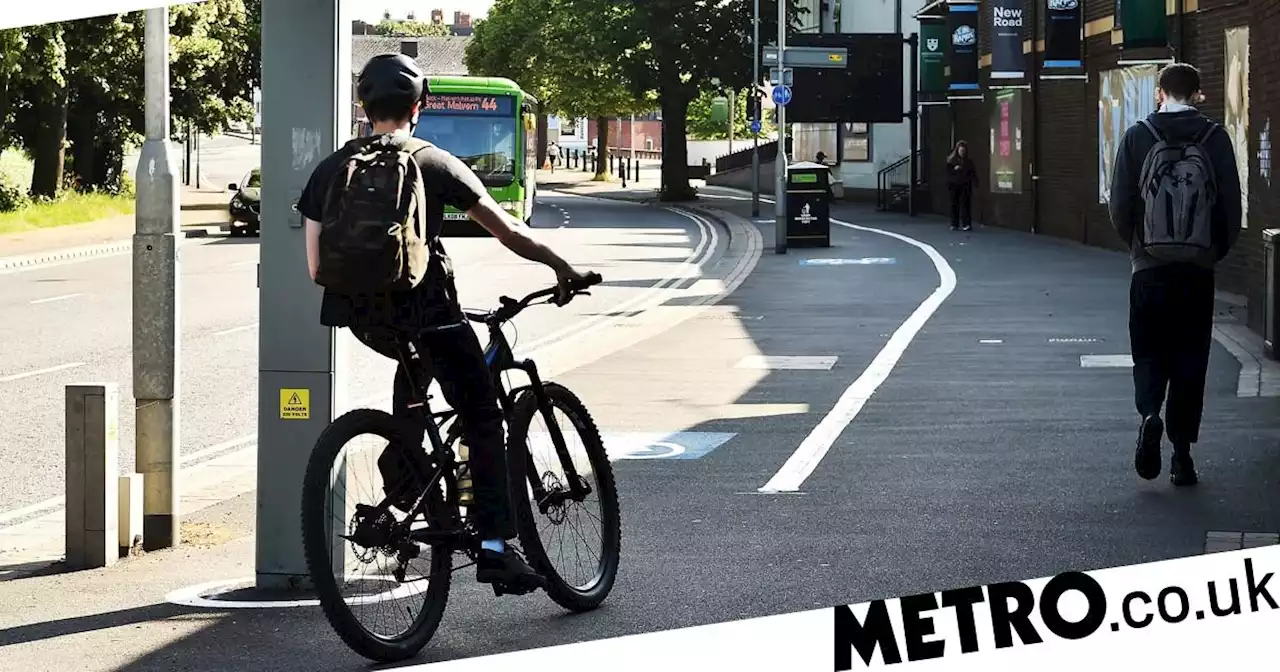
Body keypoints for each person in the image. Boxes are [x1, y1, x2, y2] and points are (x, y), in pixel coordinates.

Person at [296, 53, 593, 591]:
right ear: (420, 104)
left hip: (366, 321)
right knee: (481, 414)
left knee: (412, 394)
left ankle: (405, 489)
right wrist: (561, 267)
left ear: (363, 106)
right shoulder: (434, 162)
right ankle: (496, 548)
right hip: (431, 314)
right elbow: (509, 231)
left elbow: (316, 267)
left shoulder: (331, 169)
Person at [1107, 62, 1241, 487]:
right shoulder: (1215, 138)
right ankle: (1182, 455)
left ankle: (1150, 414)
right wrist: (1211, 251)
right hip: (1196, 272)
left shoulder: (1138, 136)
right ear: (1198, 93)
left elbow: (1120, 207)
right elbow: (1231, 208)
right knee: (1190, 358)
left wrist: (1139, 247)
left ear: (1159, 93)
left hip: (1149, 268)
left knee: (1148, 352)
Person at [945, 140, 977, 231]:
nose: (962, 152)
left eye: (964, 151)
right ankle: (954, 223)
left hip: (965, 184)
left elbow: (972, 173)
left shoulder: (968, 162)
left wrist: (974, 182)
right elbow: (947, 173)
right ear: (957, 150)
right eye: (961, 151)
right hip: (954, 184)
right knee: (954, 204)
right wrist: (954, 170)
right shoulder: (951, 161)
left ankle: (966, 223)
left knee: (965, 204)